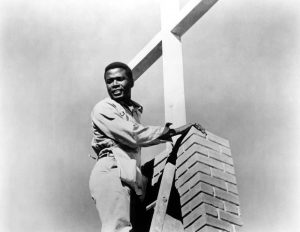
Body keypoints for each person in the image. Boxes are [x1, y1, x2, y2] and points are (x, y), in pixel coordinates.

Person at [89, 62, 206, 232]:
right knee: (118, 229)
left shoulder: (132, 111)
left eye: (119, 79)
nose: (114, 84)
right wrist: (171, 132)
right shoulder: (103, 108)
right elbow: (133, 134)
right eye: (109, 81)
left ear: (131, 81)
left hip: (129, 174)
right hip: (111, 169)